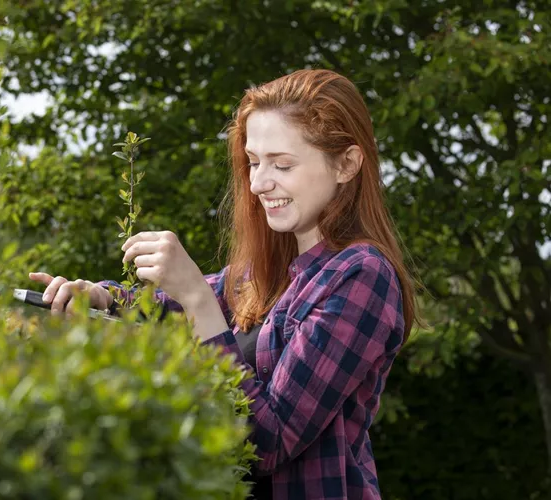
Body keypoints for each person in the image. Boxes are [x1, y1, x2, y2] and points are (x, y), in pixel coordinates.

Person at [28, 68, 419, 500]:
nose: (258, 183)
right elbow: (162, 309)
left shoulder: (360, 275)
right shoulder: (266, 273)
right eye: (253, 162)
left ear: (346, 164)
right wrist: (98, 297)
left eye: (282, 164)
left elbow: (268, 441)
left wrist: (197, 298)